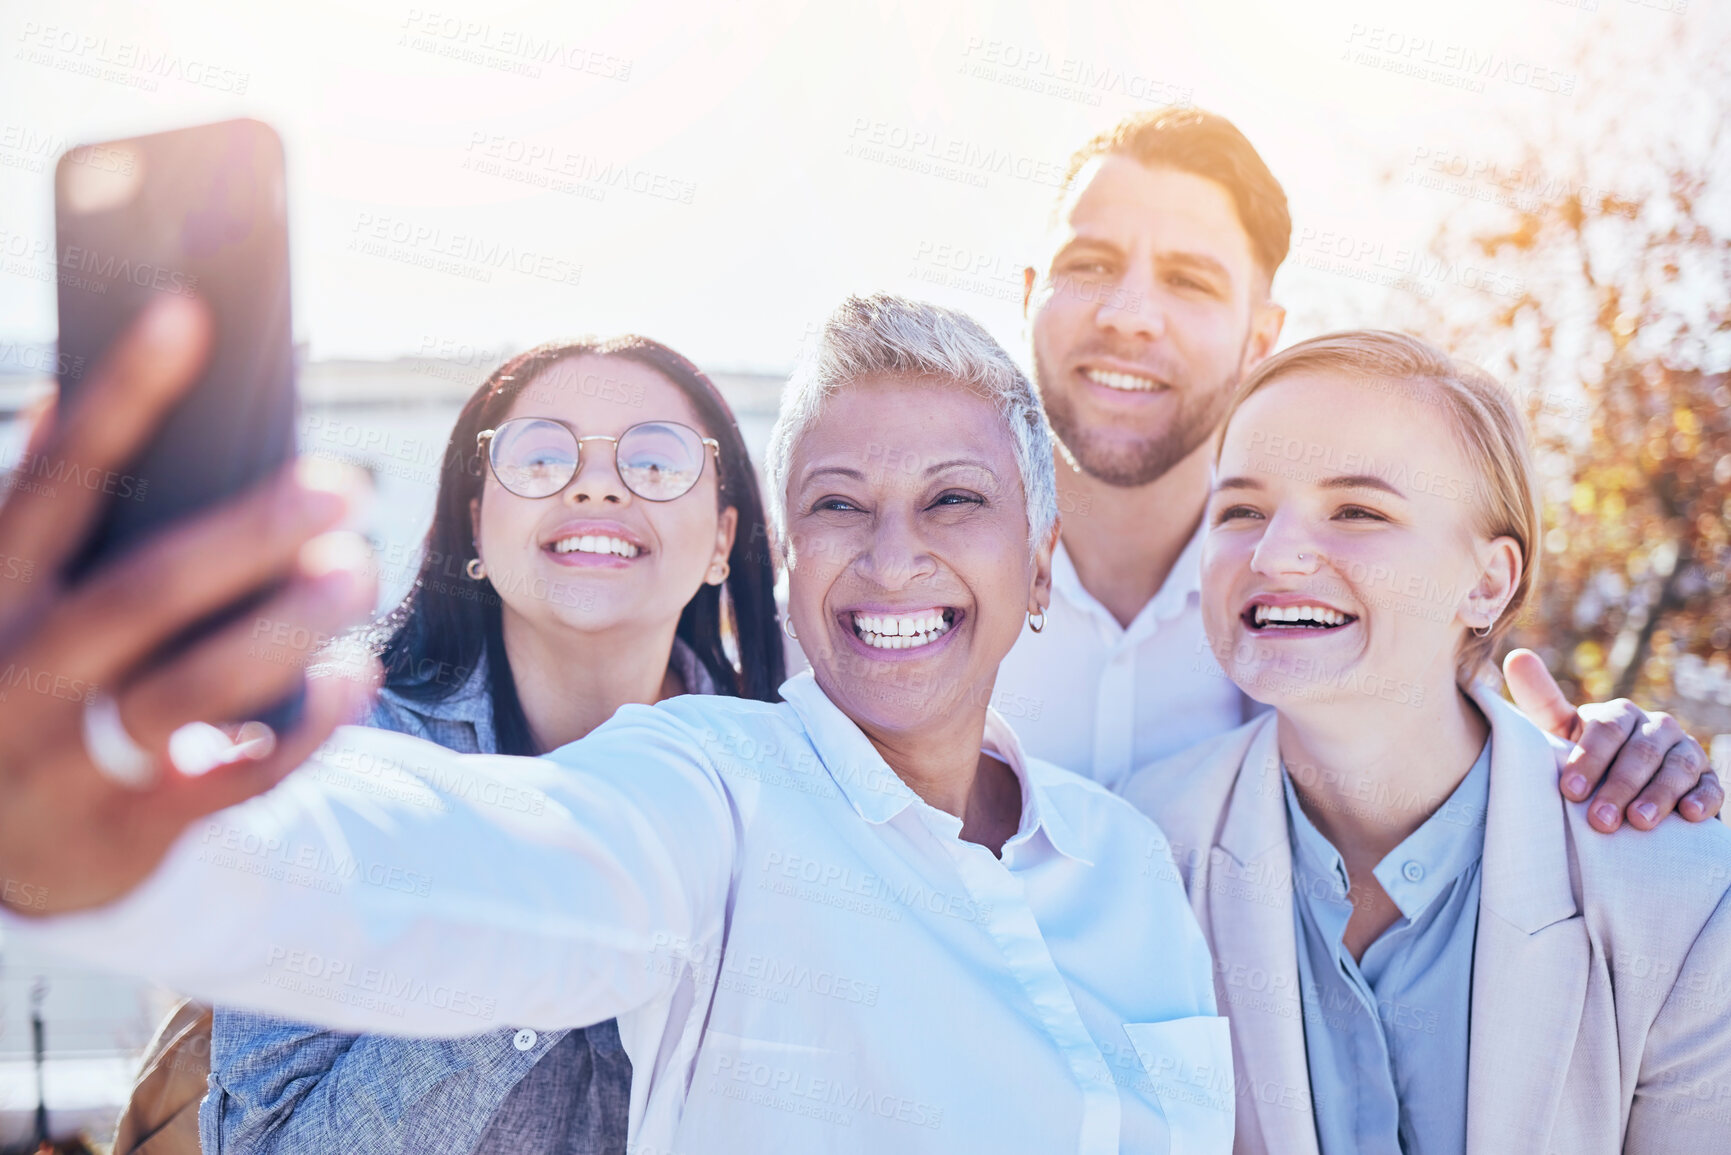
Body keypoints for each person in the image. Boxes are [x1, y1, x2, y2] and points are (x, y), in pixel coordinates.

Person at [2, 295, 1231, 1155]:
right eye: (843, 504)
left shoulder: (1127, 861)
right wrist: (115, 830)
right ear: (797, 562)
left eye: (955, 500)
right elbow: (427, 859)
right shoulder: (721, 785)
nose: (894, 553)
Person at [993, 106, 1721, 829]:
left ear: (1260, 338)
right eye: (1088, 266)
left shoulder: (1327, 593)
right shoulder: (910, 576)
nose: (1128, 315)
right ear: (1028, 295)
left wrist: (1606, 757)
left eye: (1189, 281)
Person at [1123, 331, 1731, 1154]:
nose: (1274, 554)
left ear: (1487, 581)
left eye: (1357, 510)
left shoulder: (1678, 895)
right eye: (1241, 510)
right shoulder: (1130, 853)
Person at [199, 336, 786, 1155]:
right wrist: (555, 930)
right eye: (542, 454)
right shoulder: (335, 755)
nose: (595, 481)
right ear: (476, 522)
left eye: (655, 460)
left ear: (723, 538)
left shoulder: (787, 785)